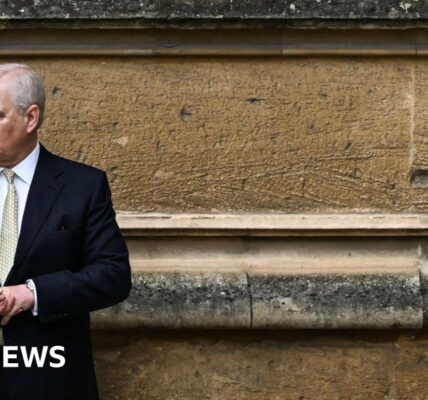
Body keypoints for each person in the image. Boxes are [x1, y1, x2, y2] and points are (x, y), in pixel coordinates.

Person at [0, 63, 132, 399]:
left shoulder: (82, 187)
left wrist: (32, 294)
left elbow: (113, 275)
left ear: (31, 118)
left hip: (50, 382)